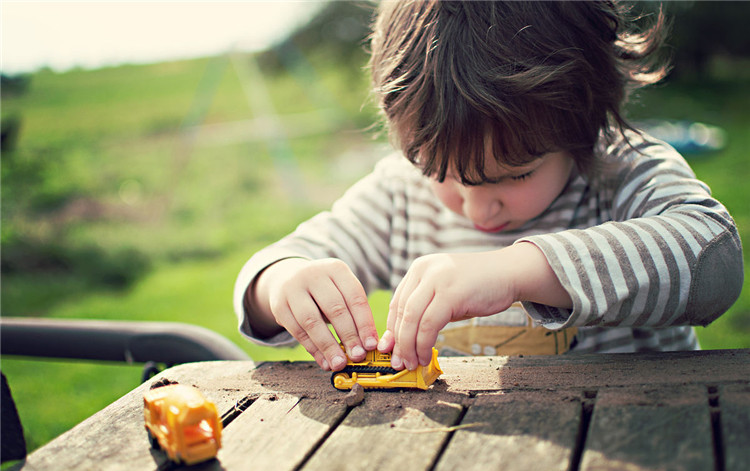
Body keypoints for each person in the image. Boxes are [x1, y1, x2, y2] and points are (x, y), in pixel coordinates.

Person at [233, 1, 743, 373]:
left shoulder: (619, 172)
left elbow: (715, 262)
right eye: (440, 171)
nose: (477, 207)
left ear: (583, 128)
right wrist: (281, 281)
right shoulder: (399, 196)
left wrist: (516, 271)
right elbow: (281, 265)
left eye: (515, 174)